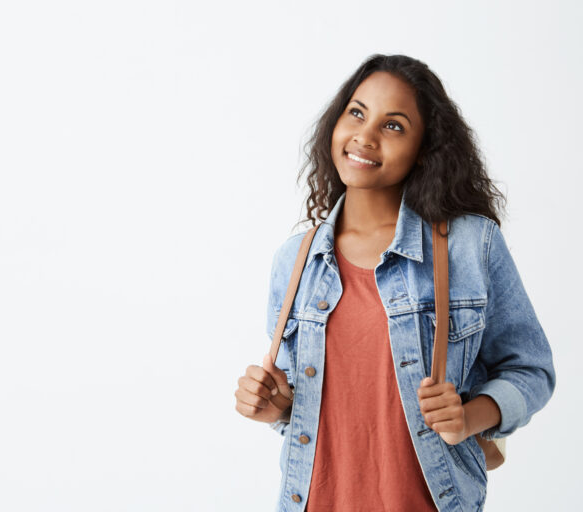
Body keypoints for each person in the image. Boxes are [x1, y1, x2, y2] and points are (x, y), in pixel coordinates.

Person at [233, 54, 556, 511]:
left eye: (394, 125)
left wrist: (467, 418)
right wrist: (276, 406)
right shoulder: (295, 261)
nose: (364, 136)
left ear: (425, 148)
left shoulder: (470, 245)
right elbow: (301, 404)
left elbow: (531, 370)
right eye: (357, 113)